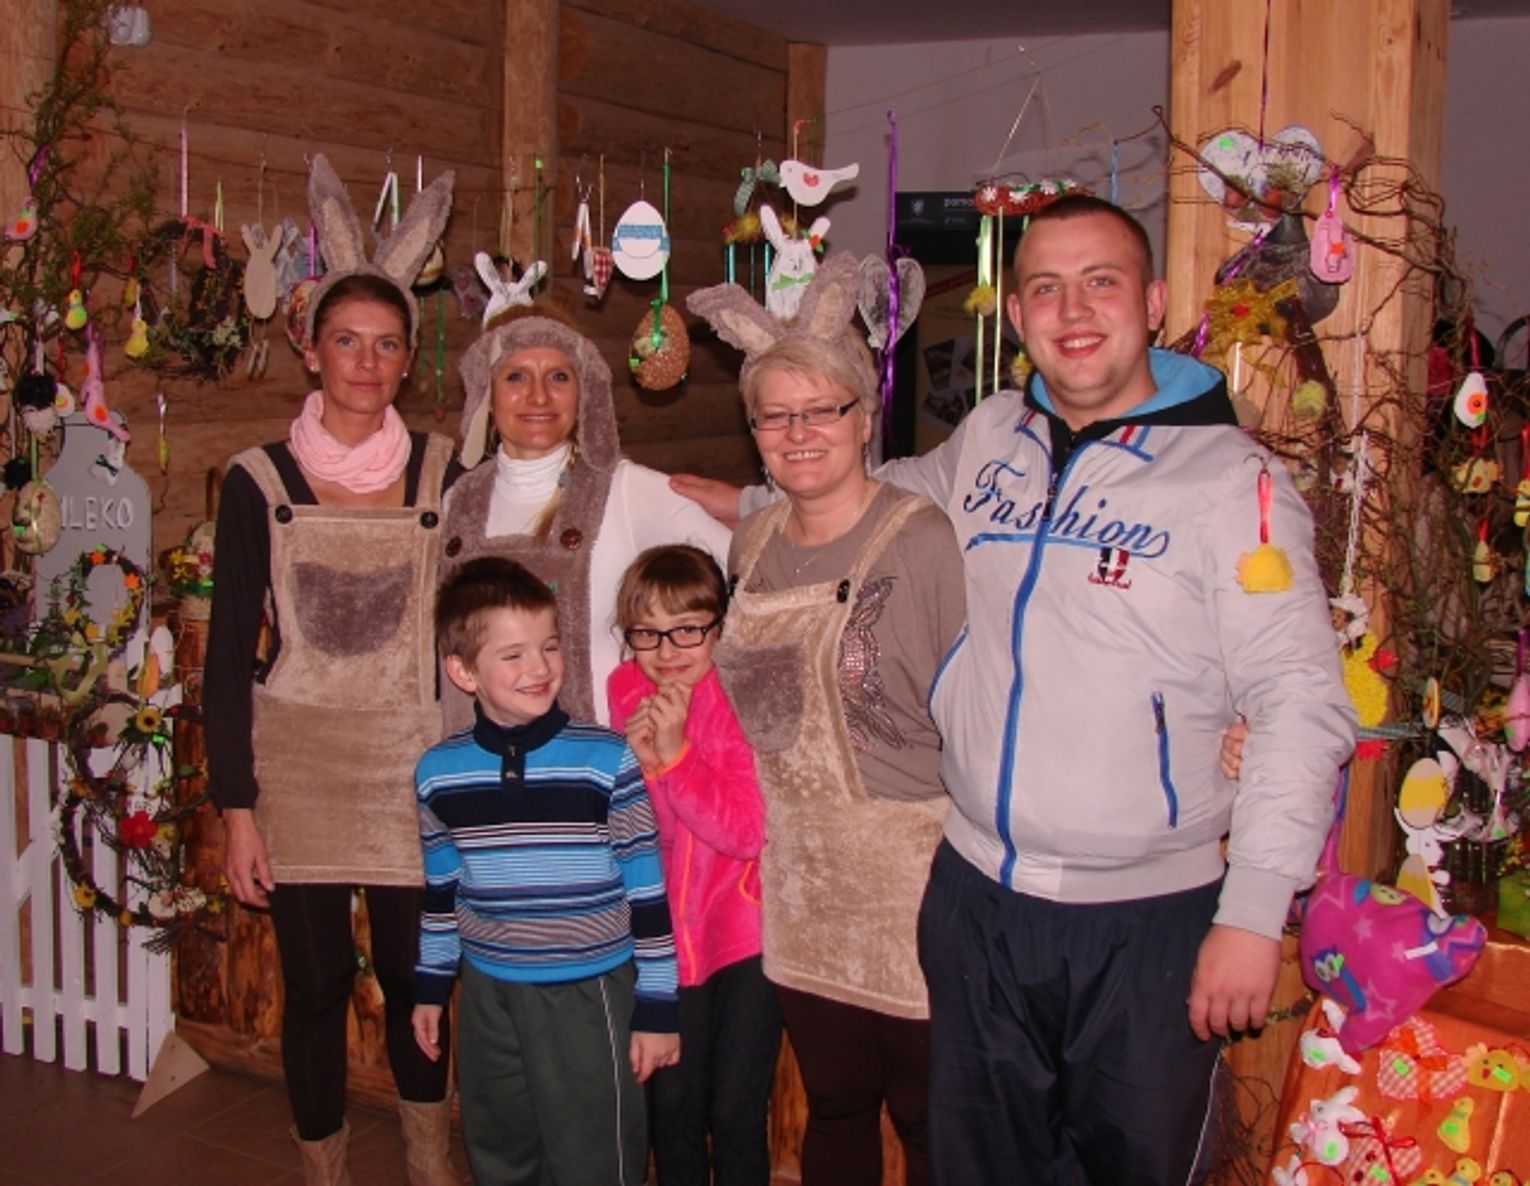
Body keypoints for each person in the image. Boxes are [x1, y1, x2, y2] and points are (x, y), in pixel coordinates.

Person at [676, 195, 1356, 1184]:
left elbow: (1300, 697)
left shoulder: (1230, 481)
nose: (1071, 310)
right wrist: (740, 502)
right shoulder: (994, 435)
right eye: (1044, 287)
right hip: (974, 900)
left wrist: (1252, 910)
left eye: (1100, 282)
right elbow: (875, 497)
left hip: (1145, 917)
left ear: (1153, 303)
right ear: (1018, 313)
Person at [686, 253, 967, 1186]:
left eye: (822, 410)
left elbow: (967, 713)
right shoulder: (753, 541)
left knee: (926, 1112)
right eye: (775, 416)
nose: (799, 433)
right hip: (798, 871)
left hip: (907, 871)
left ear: (864, 417)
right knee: (836, 1098)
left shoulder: (919, 538)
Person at [205, 155, 458, 1186]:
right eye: (346, 341)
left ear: (408, 358)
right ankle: (325, 1169)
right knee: (313, 986)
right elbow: (227, 655)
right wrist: (238, 810)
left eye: (386, 343)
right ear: (309, 348)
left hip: (413, 764)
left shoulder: (446, 469)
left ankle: (429, 1161)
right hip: (299, 763)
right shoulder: (257, 479)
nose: (366, 361)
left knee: (414, 978)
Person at [412, 556, 680, 1186]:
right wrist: (431, 986)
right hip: (488, 993)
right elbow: (441, 892)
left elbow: (647, 892)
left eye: (550, 646)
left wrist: (658, 1007)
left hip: (590, 993)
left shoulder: (605, 760)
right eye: (513, 654)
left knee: (595, 1158)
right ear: (463, 672)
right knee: (501, 1150)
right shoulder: (437, 773)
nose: (539, 667)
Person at [438, 304, 732, 732]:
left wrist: (702, 710)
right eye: (516, 376)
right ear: (487, 389)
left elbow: (747, 575)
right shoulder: (459, 501)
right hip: (478, 765)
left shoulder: (628, 490)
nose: (539, 396)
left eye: (559, 377)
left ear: (584, 390)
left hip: (606, 764)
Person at [606, 545, 779, 1186]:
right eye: (646, 632)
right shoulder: (626, 689)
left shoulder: (736, 694)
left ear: (719, 628)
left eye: (687, 629)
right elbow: (638, 826)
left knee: (735, 1110)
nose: (666, 650)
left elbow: (746, 831)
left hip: (741, 935)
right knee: (672, 1108)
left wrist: (675, 756)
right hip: (663, 939)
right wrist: (645, 768)